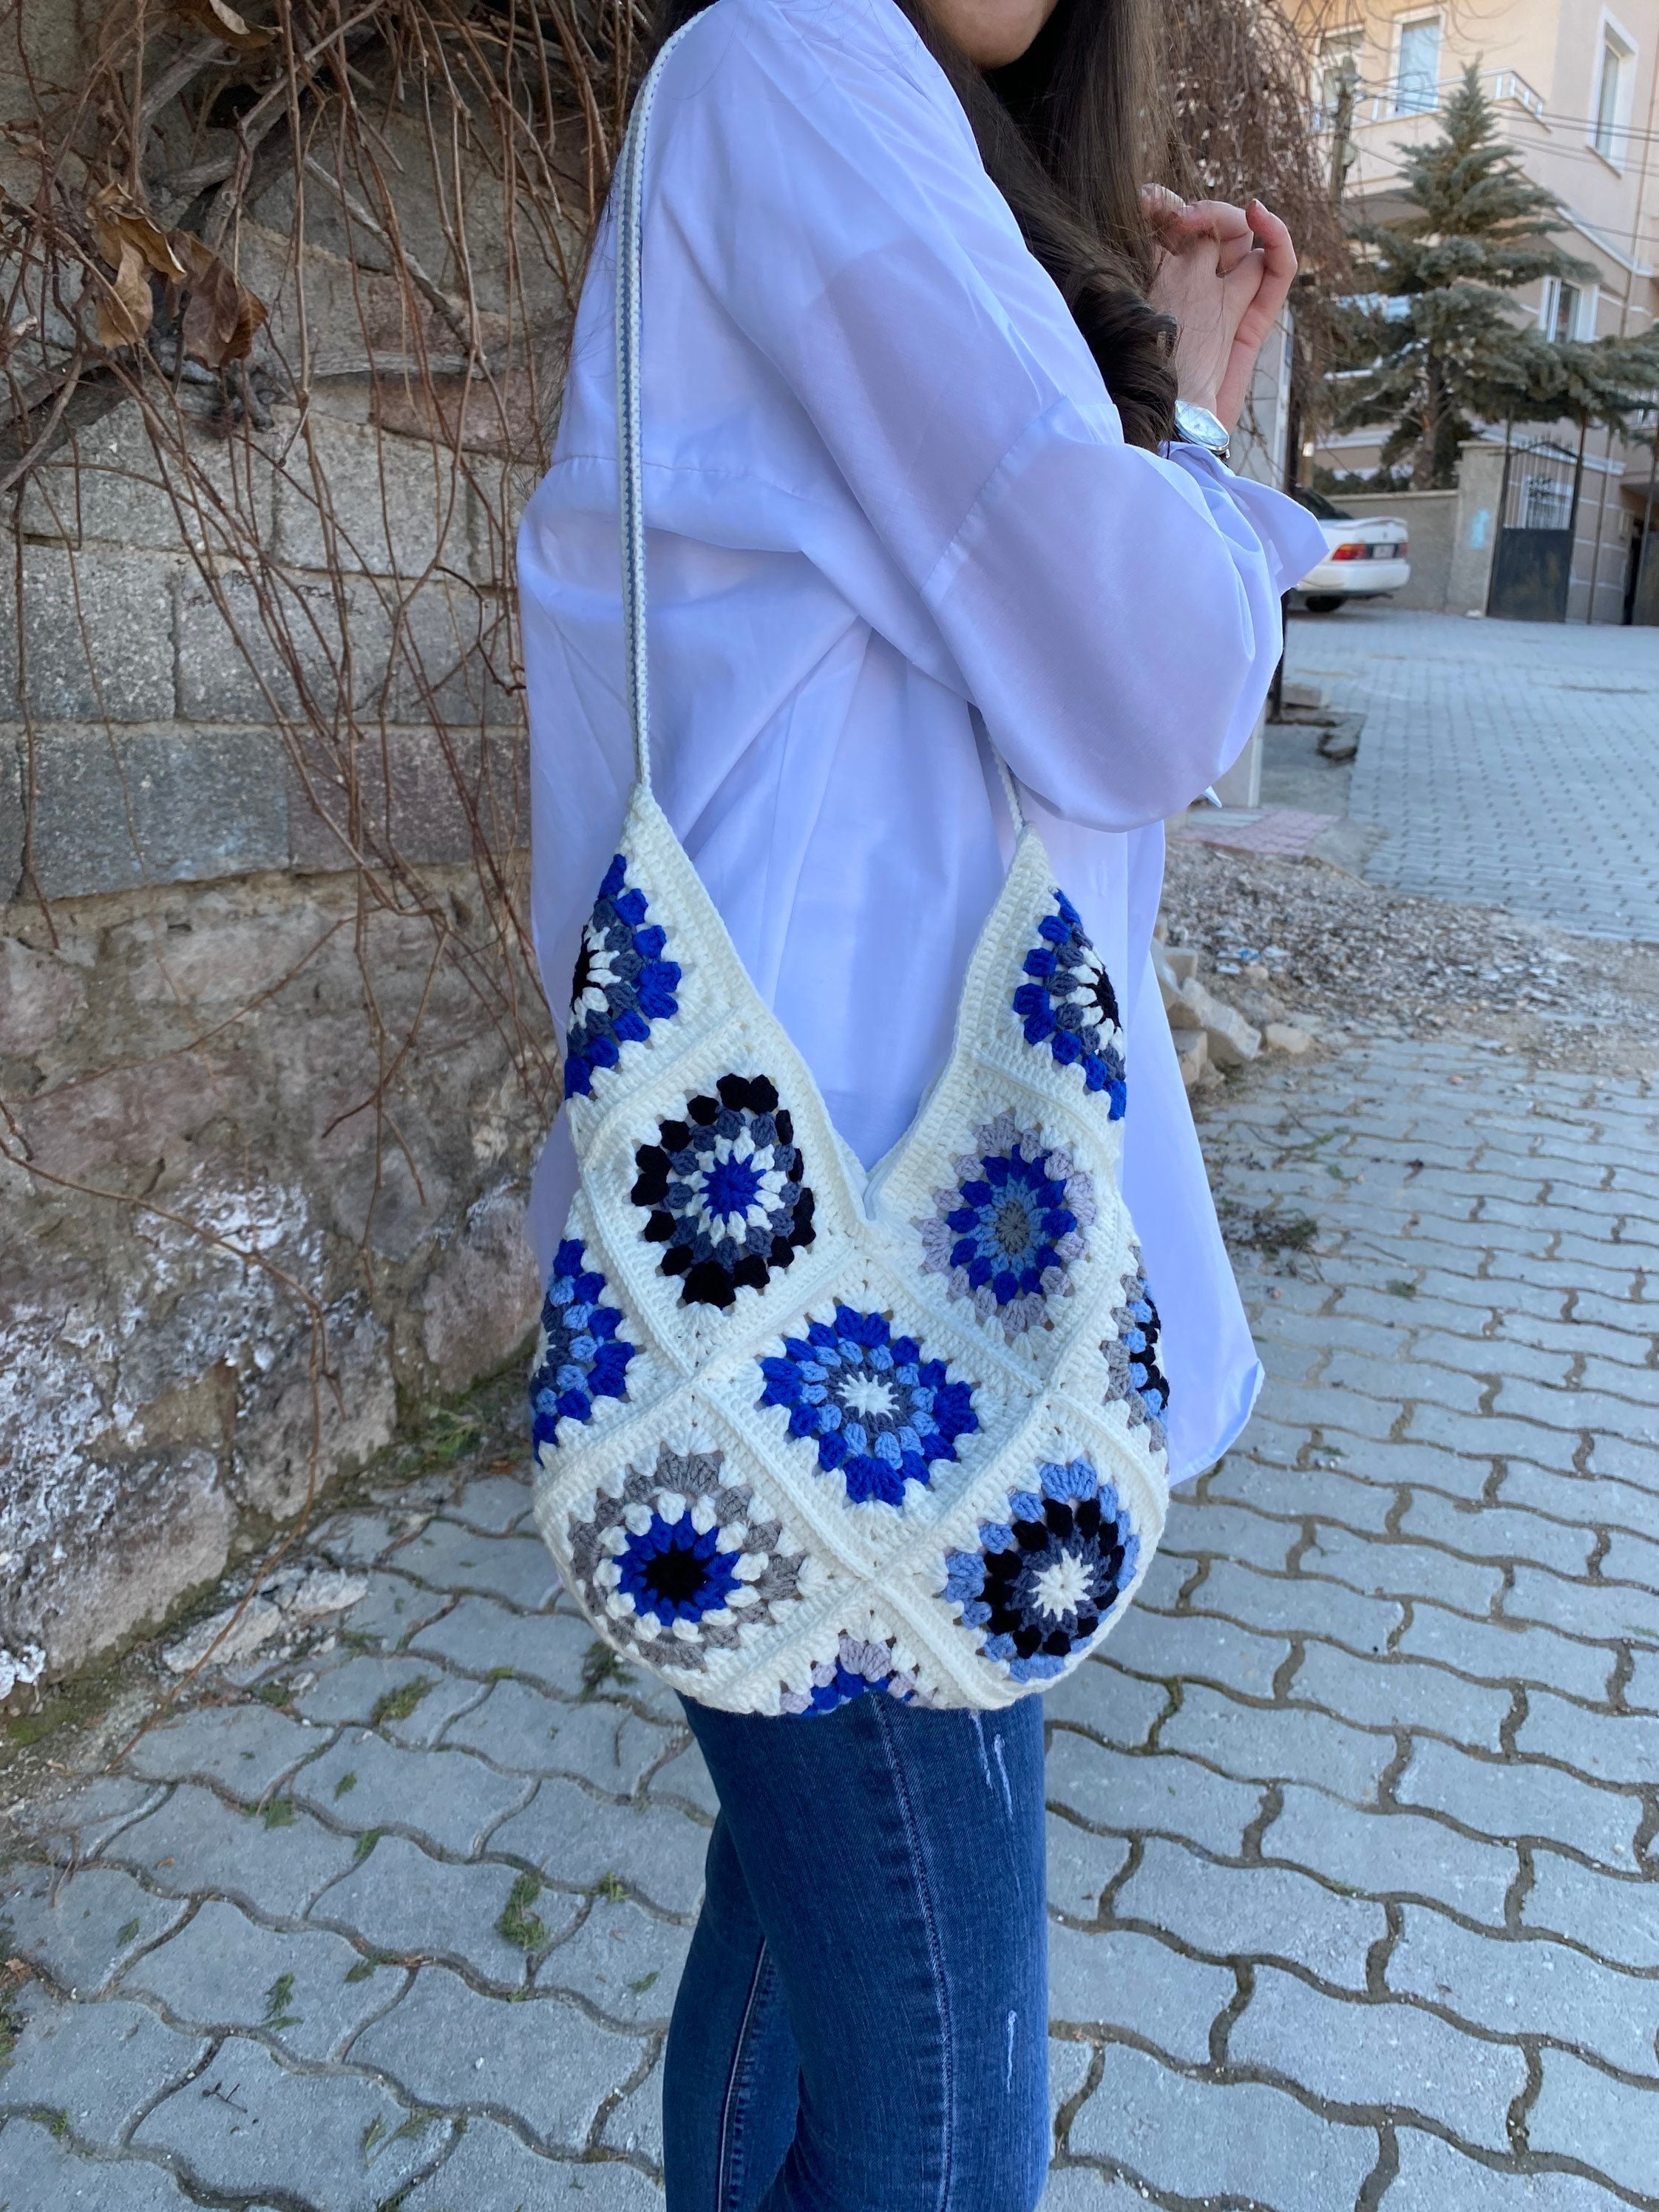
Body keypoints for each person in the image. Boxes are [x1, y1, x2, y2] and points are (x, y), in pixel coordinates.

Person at [517, 0, 1326, 2202]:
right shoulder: (791, 63)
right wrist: (1194, 444)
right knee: (946, 2121)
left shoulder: (823, 109)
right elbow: (1145, 685)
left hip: (838, 1272)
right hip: (888, 1307)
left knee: (795, 1946)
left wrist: (1155, 394)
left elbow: (1073, 683)